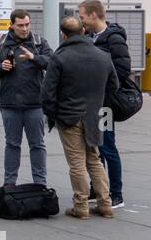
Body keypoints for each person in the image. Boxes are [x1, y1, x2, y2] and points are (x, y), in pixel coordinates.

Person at [41, 16, 118, 220]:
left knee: (76, 163)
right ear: (84, 31)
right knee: (94, 159)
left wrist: (52, 115)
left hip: (68, 117)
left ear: (63, 34)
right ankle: (105, 204)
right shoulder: (103, 56)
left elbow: (48, 93)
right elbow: (114, 86)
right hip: (95, 116)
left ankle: (81, 206)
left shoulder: (60, 57)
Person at [0, 8, 52, 188]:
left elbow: (52, 63)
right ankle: (9, 183)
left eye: (27, 24)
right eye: (20, 25)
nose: (24, 28)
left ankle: (40, 183)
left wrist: (34, 58)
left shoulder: (38, 42)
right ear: (11, 25)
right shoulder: (0, 43)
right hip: (9, 103)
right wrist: (0, 66)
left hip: (34, 103)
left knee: (37, 145)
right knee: (12, 144)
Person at [78, 0, 131, 208]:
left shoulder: (113, 38)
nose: (80, 20)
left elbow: (123, 70)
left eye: (82, 16)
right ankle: (97, 188)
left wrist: (101, 86)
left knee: (107, 146)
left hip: (105, 103)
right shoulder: (89, 37)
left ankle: (116, 193)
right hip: (91, 103)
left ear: (93, 15)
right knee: (94, 147)